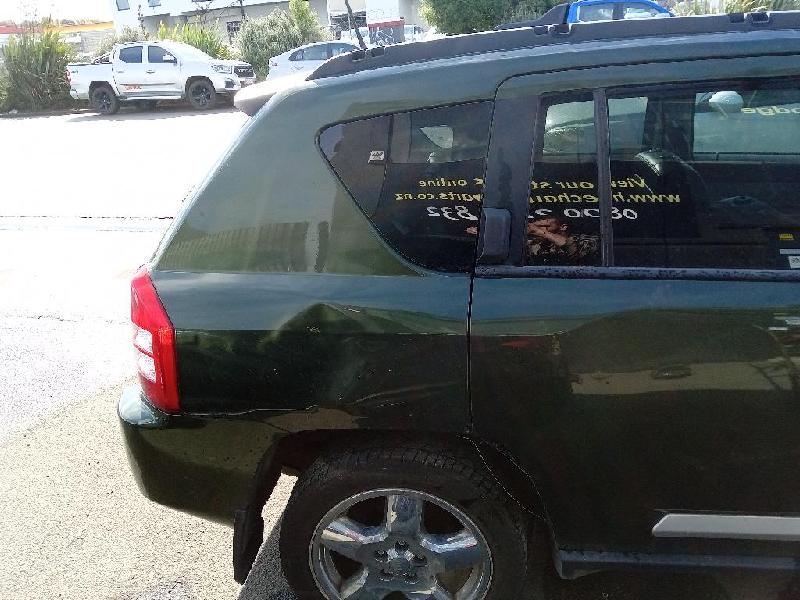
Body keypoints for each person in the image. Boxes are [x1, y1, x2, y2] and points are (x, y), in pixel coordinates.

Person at [526, 216, 599, 265]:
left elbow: (577, 255)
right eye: (537, 227)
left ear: (563, 227)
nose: (539, 230)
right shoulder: (533, 245)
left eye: (545, 226)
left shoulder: (584, 241)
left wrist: (542, 233)